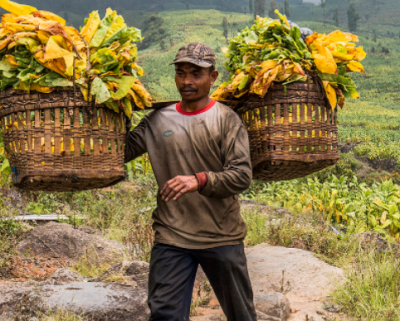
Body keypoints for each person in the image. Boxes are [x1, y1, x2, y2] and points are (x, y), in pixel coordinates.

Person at [125, 42, 257, 321]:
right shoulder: (157, 120)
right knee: (164, 314)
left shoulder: (226, 120)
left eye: (196, 74)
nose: (187, 81)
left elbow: (242, 175)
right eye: (181, 73)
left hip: (221, 235)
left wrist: (199, 180)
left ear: (213, 77)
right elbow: (120, 151)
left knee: (241, 315)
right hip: (172, 236)